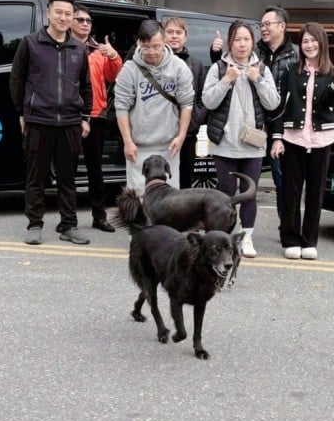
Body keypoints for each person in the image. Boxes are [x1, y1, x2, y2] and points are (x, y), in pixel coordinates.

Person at [9, 0, 92, 246]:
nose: (64, 17)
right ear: (48, 13)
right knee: (36, 176)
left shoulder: (79, 48)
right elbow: (17, 79)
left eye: (69, 13)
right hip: (38, 121)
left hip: (69, 122)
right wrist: (22, 112)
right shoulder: (31, 43)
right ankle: (35, 224)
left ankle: (68, 225)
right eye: (59, 12)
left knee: (68, 178)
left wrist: (85, 115)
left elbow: (86, 85)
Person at [201, 20, 280, 258]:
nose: (242, 44)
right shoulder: (218, 68)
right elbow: (207, 101)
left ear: (252, 42)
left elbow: (273, 103)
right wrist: (227, 80)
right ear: (229, 42)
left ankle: (247, 237)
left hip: (253, 145)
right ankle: (224, 238)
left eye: (246, 39)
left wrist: (257, 79)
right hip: (225, 144)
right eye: (237, 39)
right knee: (225, 195)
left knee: (249, 194)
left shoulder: (262, 69)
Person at [270, 22, 334, 260]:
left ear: (322, 43)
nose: (310, 45)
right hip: (293, 139)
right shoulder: (292, 71)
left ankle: (309, 240)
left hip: (321, 139)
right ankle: (290, 239)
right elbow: (279, 107)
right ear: (300, 45)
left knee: (315, 193)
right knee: (291, 191)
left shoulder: (332, 71)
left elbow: (330, 105)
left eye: (314, 40)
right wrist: (277, 137)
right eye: (305, 41)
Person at [113, 19, 194, 196]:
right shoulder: (129, 69)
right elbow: (121, 107)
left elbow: (187, 104)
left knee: (170, 198)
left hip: (169, 145)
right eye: (146, 47)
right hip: (138, 146)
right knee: (140, 198)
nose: (151, 52)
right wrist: (127, 141)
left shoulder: (179, 67)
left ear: (164, 41)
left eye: (156, 46)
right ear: (139, 43)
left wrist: (181, 136)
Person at [69, 4, 123, 232]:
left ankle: (99, 217)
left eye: (87, 21)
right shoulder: (62, 47)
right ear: (70, 22)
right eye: (79, 19)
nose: (84, 24)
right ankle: (68, 219)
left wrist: (114, 56)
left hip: (95, 116)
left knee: (95, 170)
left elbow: (114, 76)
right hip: (69, 116)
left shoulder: (98, 49)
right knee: (67, 170)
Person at [254, 5, 298, 220]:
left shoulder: (297, 55)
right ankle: (245, 231)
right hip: (256, 125)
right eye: (261, 25)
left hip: (283, 126)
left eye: (267, 24)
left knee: (283, 179)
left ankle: (286, 227)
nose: (263, 28)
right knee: (248, 178)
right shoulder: (254, 53)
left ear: (282, 26)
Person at [162, 16, 208, 188]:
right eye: (170, 32)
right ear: (163, 35)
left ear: (185, 36)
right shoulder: (156, 61)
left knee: (185, 178)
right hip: (161, 132)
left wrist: (196, 117)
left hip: (188, 132)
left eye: (178, 32)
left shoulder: (196, 64)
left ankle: (184, 215)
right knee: (163, 178)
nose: (174, 36)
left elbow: (203, 97)